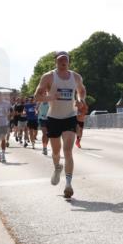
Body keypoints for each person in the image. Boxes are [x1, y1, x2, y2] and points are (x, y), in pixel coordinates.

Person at [34, 51, 87, 199]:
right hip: (53, 118)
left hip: (70, 117)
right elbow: (37, 96)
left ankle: (68, 184)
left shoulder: (75, 77)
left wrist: (80, 99)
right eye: (60, 60)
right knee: (56, 152)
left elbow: (81, 90)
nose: (63, 62)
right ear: (55, 62)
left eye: (66, 60)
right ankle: (57, 167)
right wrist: (51, 96)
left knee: (68, 150)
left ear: (69, 62)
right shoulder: (48, 76)